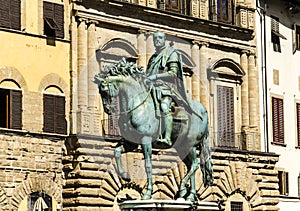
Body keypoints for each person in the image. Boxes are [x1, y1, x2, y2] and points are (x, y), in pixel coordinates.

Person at [146, 31, 190, 146]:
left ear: (164, 39)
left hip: (167, 89)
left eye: (160, 38)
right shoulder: (153, 57)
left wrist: (155, 76)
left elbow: (172, 73)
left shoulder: (172, 53)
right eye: (155, 38)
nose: (157, 40)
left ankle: (167, 138)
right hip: (152, 88)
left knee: (164, 107)